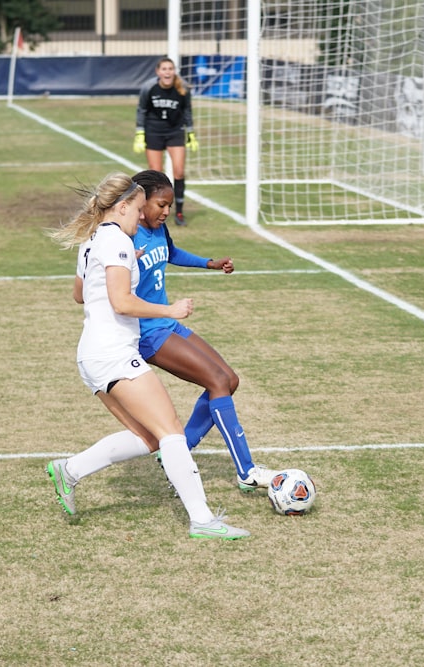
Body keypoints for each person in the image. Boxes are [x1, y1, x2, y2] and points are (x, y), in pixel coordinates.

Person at [45, 172, 249, 540]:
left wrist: (124, 266)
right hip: (113, 354)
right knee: (171, 431)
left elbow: (80, 295)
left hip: (92, 356)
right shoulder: (118, 242)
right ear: (122, 207)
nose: (140, 218)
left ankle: (69, 470)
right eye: (138, 209)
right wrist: (171, 310)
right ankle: (202, 520)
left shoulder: (92, 241)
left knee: (150, 437)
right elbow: (122, 302)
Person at [130, 169, 277, 492]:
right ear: (140, 202)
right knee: (215, 381)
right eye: (161, 205)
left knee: (229, 379)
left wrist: (208, 263)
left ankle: (175, 454)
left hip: (168, 324)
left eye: (169, 205)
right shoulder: (126, 239)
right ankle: (246, 470)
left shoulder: (158, 230)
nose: (167, 211)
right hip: (148, 333)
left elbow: (171, 253)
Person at [134, 57, 198, 227]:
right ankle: (150, 212)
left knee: (179, 172)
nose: (167, 72)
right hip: (154, 132)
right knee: (156, 176)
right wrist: (140, 133)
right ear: (158, 72)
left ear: (174, 71)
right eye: (164, 69)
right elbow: (142, 110)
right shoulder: (149, 87)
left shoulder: (182, 88)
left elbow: (187, 111)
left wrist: (190, 132)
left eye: (170, 68)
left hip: (175, 132)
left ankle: (179, 212)